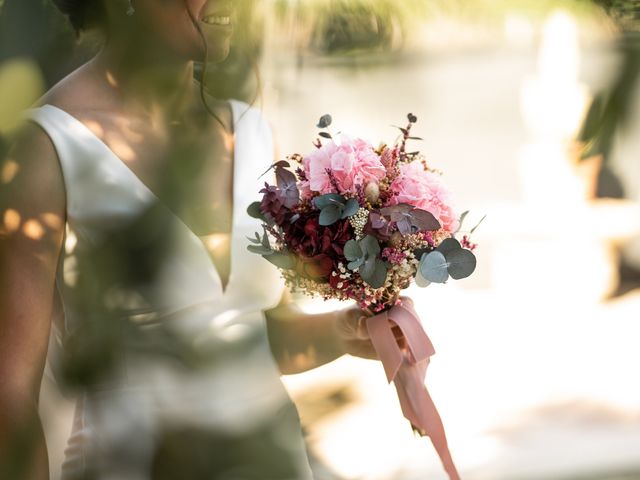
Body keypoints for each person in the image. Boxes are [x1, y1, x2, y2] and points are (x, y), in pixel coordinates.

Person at [0, 1, 387, 479]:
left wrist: (344, 330)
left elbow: (259, 337)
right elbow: (10, 397)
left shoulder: (251, 130)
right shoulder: (47, 147)